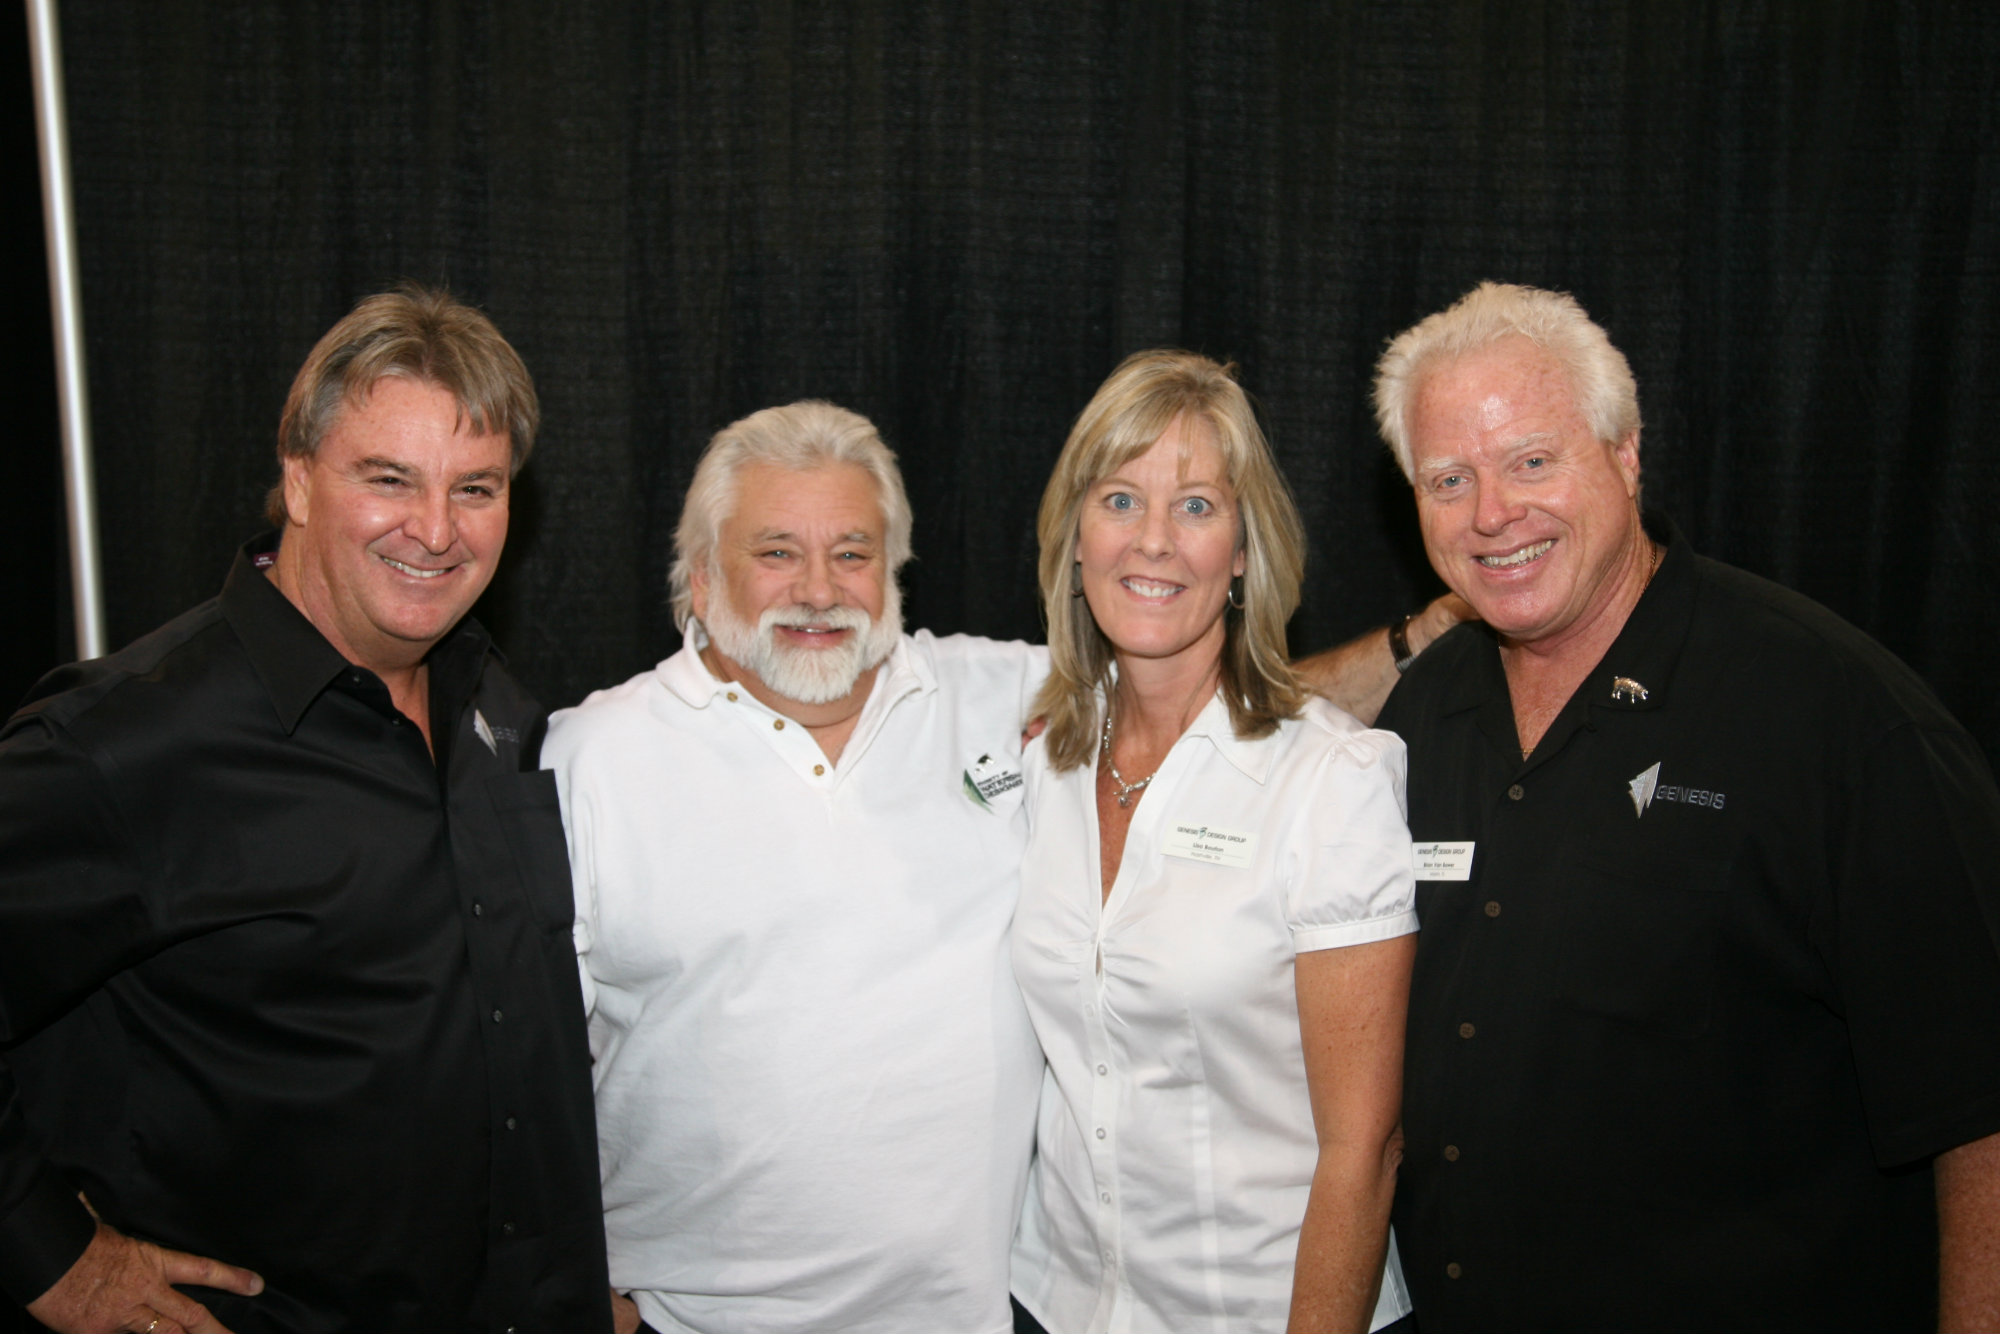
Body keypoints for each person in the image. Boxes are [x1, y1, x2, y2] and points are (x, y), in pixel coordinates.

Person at [1370, 282, 2000, 1331]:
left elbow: (1980, 1105)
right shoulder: (1423, 714)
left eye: (1531, 459)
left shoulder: (1830, 714)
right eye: (1448, 478)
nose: (1491, 513)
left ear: (1623, 456)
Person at [0, 288, 611, 1334]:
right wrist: (45, 1250)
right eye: (388, 479)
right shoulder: (130, 741)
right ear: (296, 475)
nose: (434, 528)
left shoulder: (499, 710)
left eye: (476, 487)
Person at [543, 402, 1048, 1334]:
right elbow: (512, 1068)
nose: (819, 590)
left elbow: (1229, 712)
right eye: (776, 552)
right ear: (700, 579)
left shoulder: (1003, 699)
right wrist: (570, 1297)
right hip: (685, 1322)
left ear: (894, 575)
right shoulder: (588, 761)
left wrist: (1409, 642)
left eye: (852, 554)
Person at [1009, 350, 1419, 1334]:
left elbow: (1362, 1148)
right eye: (1118, 499)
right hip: (1057, 1302)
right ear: (1073, 535)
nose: (1151, 541)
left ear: (1242, 550)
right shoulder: (1039, 764)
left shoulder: (1330, 782)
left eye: (1194, 506)